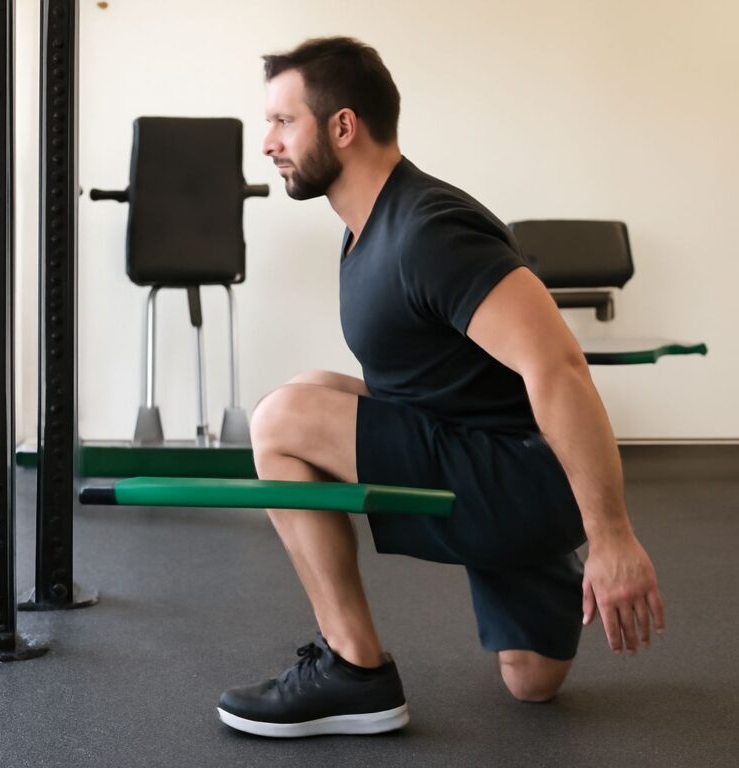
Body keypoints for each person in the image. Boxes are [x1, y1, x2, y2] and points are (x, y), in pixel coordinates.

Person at [217, 36, 665, 738]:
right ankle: (530, 555)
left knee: (283, 418)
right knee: (531, 680)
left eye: (283, 121)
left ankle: (354, 669)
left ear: (343, 125)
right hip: (487, 455)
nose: (268, 143)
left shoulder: (429, 230)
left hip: (516, 472)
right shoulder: (366, 228)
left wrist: (611, 536)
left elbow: (558, 366)